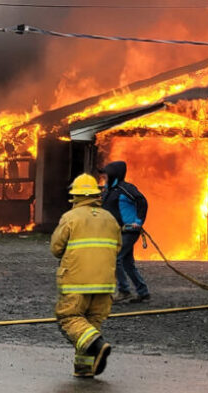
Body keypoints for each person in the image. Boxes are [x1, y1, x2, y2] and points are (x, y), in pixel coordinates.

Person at [51, 173, 120, 378]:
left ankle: (97, 345)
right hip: (105, 283)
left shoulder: (70, 218)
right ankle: (84, 367)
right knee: (90, 323)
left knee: (69, 318)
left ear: (76, 196)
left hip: (77, 282)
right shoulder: (110, 219)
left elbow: (56, 248)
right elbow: (118, 248)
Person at [100, 161, 149, 303]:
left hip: (128, 231)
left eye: (106, 174)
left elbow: (142, 202)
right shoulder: (108, 191)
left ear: (114, 175)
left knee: (115, 258)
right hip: (117, 232)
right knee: (127, 262)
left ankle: (124, 291)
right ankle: (142, 291)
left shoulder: (125, 189)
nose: (104, 177)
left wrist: (138, 222)